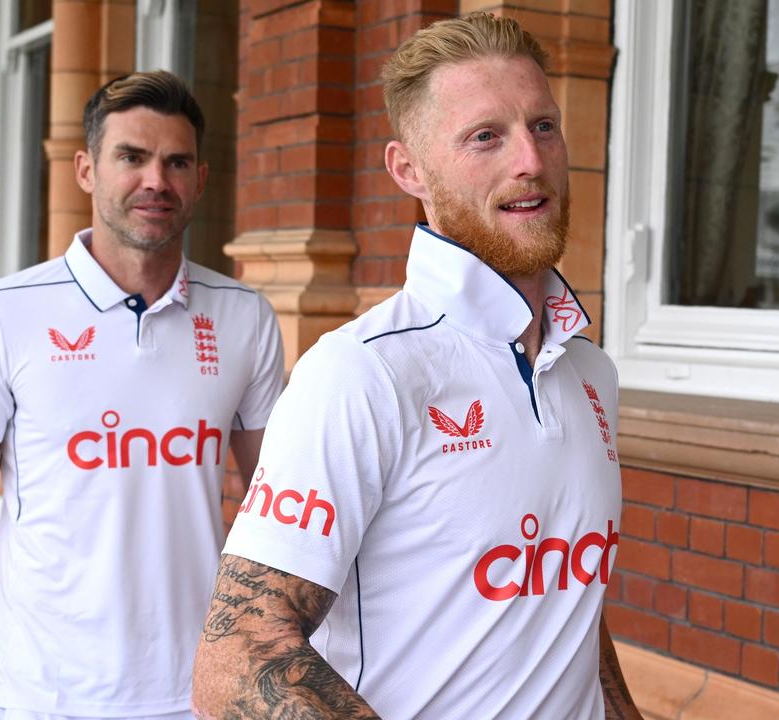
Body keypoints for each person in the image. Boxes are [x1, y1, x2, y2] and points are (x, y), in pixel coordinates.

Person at [191, 13, 643, 720]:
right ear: (409, 170)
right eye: (485, 137)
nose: (529, 159)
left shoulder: (589, 371)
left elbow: (565, 605)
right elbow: (237, 657)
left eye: (544, 126)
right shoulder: (363, 373)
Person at [0, 71, 285, 720]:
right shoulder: (3, 315)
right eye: (131, 158)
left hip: (198, 694)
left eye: (176, 162)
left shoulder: (245, 317)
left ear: (200, 179)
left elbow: (281, 504)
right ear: (86, 170)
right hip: (45, 697)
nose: (155, 181)